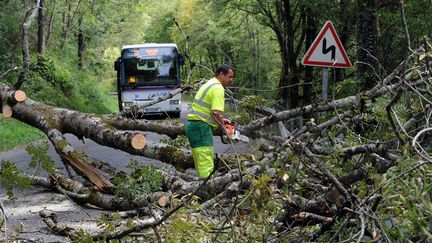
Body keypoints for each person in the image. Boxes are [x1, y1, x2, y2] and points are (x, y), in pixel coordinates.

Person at [186, 64, 235, 178]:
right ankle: (208, 188)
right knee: (206, 160)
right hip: (201, 127)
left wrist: (222, 120)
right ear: (221, 74)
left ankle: (201, 185)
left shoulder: (210, 83)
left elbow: (208, 111)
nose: (231, 80)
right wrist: (225, 129)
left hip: (195, 125)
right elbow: (216, 113)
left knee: (200, 160)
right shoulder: (218, 88)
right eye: (229, 76)